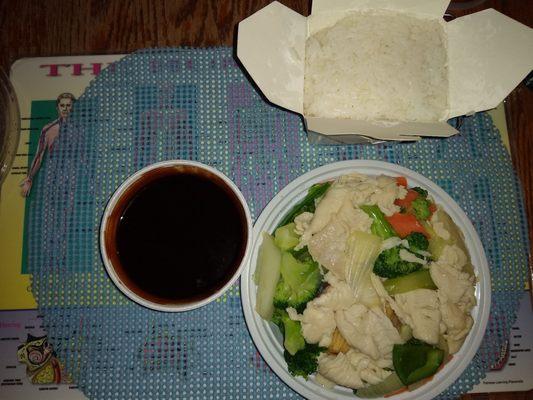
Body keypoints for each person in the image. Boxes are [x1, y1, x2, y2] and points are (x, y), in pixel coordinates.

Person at [20, 93, 75, 197]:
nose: (65, 109)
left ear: (73, 107)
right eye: (62, 105)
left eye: (68, 105)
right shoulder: (48, 129)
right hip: (53, 175)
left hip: (73, 175)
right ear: (57, 108)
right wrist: (29, 179)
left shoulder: (79, 129)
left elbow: (84, 157)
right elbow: (39, 156)